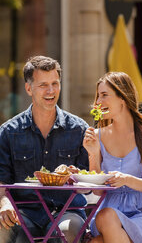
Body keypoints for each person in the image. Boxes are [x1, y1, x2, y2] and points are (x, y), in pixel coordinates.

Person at [0, 55, 89, 243]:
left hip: (67, 211)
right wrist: (3, 203)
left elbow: (88, 183)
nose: (51, 91)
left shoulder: (79, 129)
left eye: (55, 83)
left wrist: (76, 176)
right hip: (24, 211)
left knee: (67, 232)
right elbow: (1, 180)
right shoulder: (8, 132)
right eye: (43, 85)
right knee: (6, 229)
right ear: (28, 88)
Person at [83, 72, 142, 243]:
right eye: (98, 96)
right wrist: (92, 152)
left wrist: (125, 179)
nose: (98, 102)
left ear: (123, 98)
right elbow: (97, 190)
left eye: (104, 95)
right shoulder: (97, 136)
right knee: (106, 217)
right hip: (109, 213)